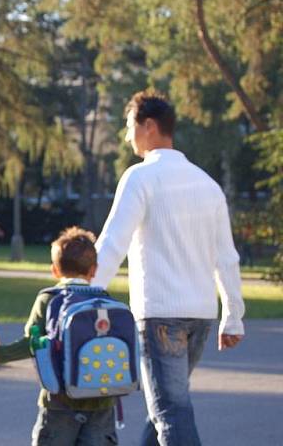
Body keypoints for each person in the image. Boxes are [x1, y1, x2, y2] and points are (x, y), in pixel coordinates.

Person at [91, 90, 245, 446]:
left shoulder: (140, 178)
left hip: (160, 316)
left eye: (129, 127)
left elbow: (113, 242)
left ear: (149, 126)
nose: (127, 136)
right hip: (201, 317)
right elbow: (227, 257)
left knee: (170, 411)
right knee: (165, 408)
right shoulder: (208, 185)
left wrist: (83, 292)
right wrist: (232, 315)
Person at [0, 227, 118, 446]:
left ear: (55, 270)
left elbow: (32, 343)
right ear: (94, 270)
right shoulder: (106, 302)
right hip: (103, 399)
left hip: (60, 401)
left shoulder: (48, 300)